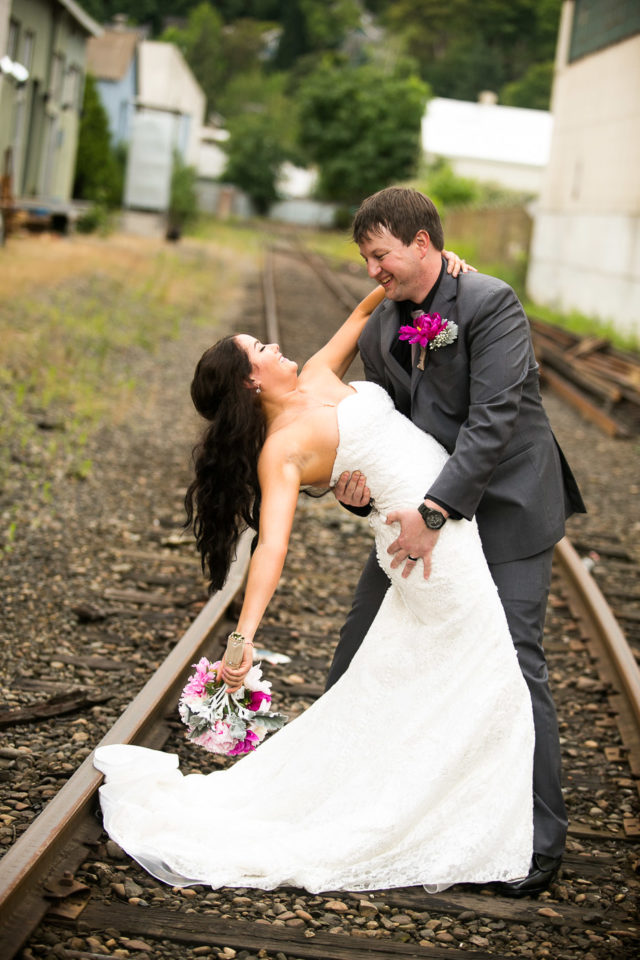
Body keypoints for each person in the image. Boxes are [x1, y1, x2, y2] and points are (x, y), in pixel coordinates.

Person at [93, 252, 537, 895]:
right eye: (262, 348)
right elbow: (271, 546)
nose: (277, 347)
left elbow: (369, 305)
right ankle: (448, 825)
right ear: (250, 381)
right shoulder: (282, 449)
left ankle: (419, 804)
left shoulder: (323, 373)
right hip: (427, 550)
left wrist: (437, 267)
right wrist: (242, 638)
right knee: (492, 676)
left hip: (443, 530)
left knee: (435, 676)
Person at [328, 186, 586, 897]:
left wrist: (435, 511)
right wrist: (358, 490)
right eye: (365, 258)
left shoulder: (490, 303)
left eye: (379, 254)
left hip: (502, 506)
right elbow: (389, 435)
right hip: (421, 516)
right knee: (359, 644)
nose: (372, 268)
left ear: (420, 243)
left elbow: (495, 417)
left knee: (514, 661)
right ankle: (346, 802)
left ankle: (539, 841)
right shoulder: (383, 330)